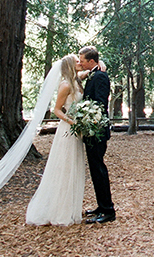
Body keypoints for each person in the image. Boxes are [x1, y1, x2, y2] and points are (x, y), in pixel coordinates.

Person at [26, 54, 86, 225]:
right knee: (65, 167)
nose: (79, 63)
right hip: (68, 129)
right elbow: (57, 110)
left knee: (73, 166)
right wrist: (73, 122)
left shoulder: (76, 80)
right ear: (69, 66)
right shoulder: (66, 85)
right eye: (76, 61)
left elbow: (87, 72)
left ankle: (70, 207)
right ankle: (59, 210)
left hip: (75, 130)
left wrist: (100, 64)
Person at [79, 45, 116, 224]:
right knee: (95, 169)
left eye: (83, 61)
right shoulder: (93, 73)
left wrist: (90, 120)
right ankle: (101, 206)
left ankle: (108, 210)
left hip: (97, 130)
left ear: (92, 61)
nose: (81, 63)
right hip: (91, 130)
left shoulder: (100, 76)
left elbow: (100, 104)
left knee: (99, 169)